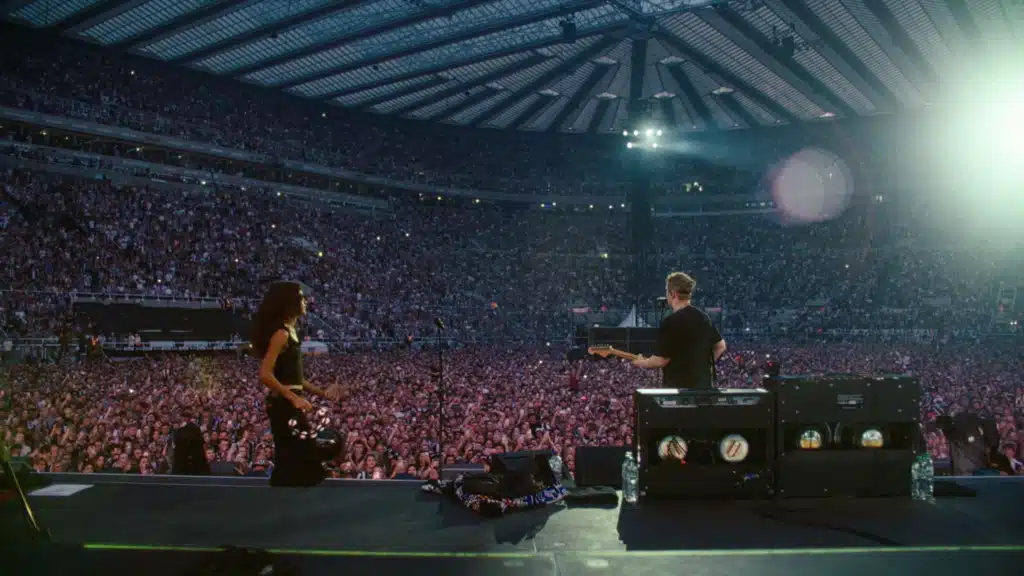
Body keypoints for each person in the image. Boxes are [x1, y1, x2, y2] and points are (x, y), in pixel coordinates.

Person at [251, 281, 340, 487]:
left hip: (287, 404)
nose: (305, 301)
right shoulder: (281, 334)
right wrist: (293, 398)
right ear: (289, 303)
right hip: (283, 406)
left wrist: (322, 393)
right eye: (300, 297)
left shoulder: (291, 332)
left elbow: (296, 380)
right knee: (304, 457)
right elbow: (265, 374)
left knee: (294, 461)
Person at [632, 272, 727, 389]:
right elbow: (721, 346)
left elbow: (661, 360)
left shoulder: (671, 321)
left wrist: (641, 362)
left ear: (673, 293)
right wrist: (704, 365)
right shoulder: (703, 317)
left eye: (666, 291)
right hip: (703, 389)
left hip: (678, 390)